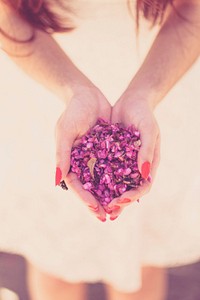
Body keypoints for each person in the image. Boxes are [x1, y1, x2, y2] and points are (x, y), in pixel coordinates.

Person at [0, 0, 199, 299]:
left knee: (140, 263)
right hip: (44, 70)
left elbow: (193, 9)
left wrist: (145, 93)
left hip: (158, 66)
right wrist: (73, 90)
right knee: (55, 259)